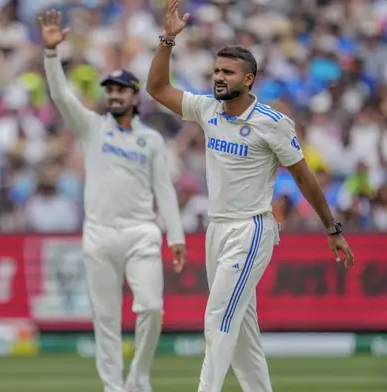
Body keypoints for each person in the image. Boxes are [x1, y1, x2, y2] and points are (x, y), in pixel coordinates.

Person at [145, 1, 356, 391]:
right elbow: (156, 88)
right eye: (216, 71)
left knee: (218, 316)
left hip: (252, 229)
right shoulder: (207, 109)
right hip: (217, 229)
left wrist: (332, 228)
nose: (219, 78)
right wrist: (167, 40)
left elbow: (305, 178)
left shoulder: (272, 124)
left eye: (228, 72)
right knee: (241, 332)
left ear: (250, 80)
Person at [39, 9, 187, 392]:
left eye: (121, 90)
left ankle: (138, 377)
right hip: (100, 234)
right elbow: (59, 94)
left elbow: (164, 191)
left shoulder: (151, 140)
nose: (114, 95)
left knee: (151, 307)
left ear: (134, 97)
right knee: (105, 321)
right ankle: (113, 387)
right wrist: (52, 55)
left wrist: (177, 237)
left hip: (141, 232)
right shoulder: (91, 127)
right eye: (110, 90)